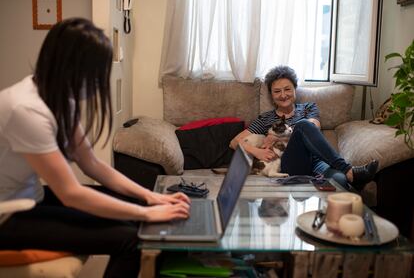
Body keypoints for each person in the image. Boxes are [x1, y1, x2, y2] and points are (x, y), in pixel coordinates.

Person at [0, 18, 190, 278]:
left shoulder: (57, 95)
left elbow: (92, 164)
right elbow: (71, 194)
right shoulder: (27, 109)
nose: (99, 82)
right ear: (72, 68)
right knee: (130, 239)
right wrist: (146, 212)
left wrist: (149, 197)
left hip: (30, 198)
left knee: (136, 210)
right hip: (7, 215)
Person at [230, 65, 378, 190]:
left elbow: (313, 127)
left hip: (317, 161)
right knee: (302, 125)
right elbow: (235, 142)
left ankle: (348, 182)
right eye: (277, 91)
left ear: (295, 89)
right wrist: (257, 152)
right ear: (271, 95)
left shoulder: (308, 108)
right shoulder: (265, 118)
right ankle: (350, 170)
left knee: (339, 181)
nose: (283, 95)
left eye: (287, 89)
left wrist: (276, 136)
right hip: (290, 163)